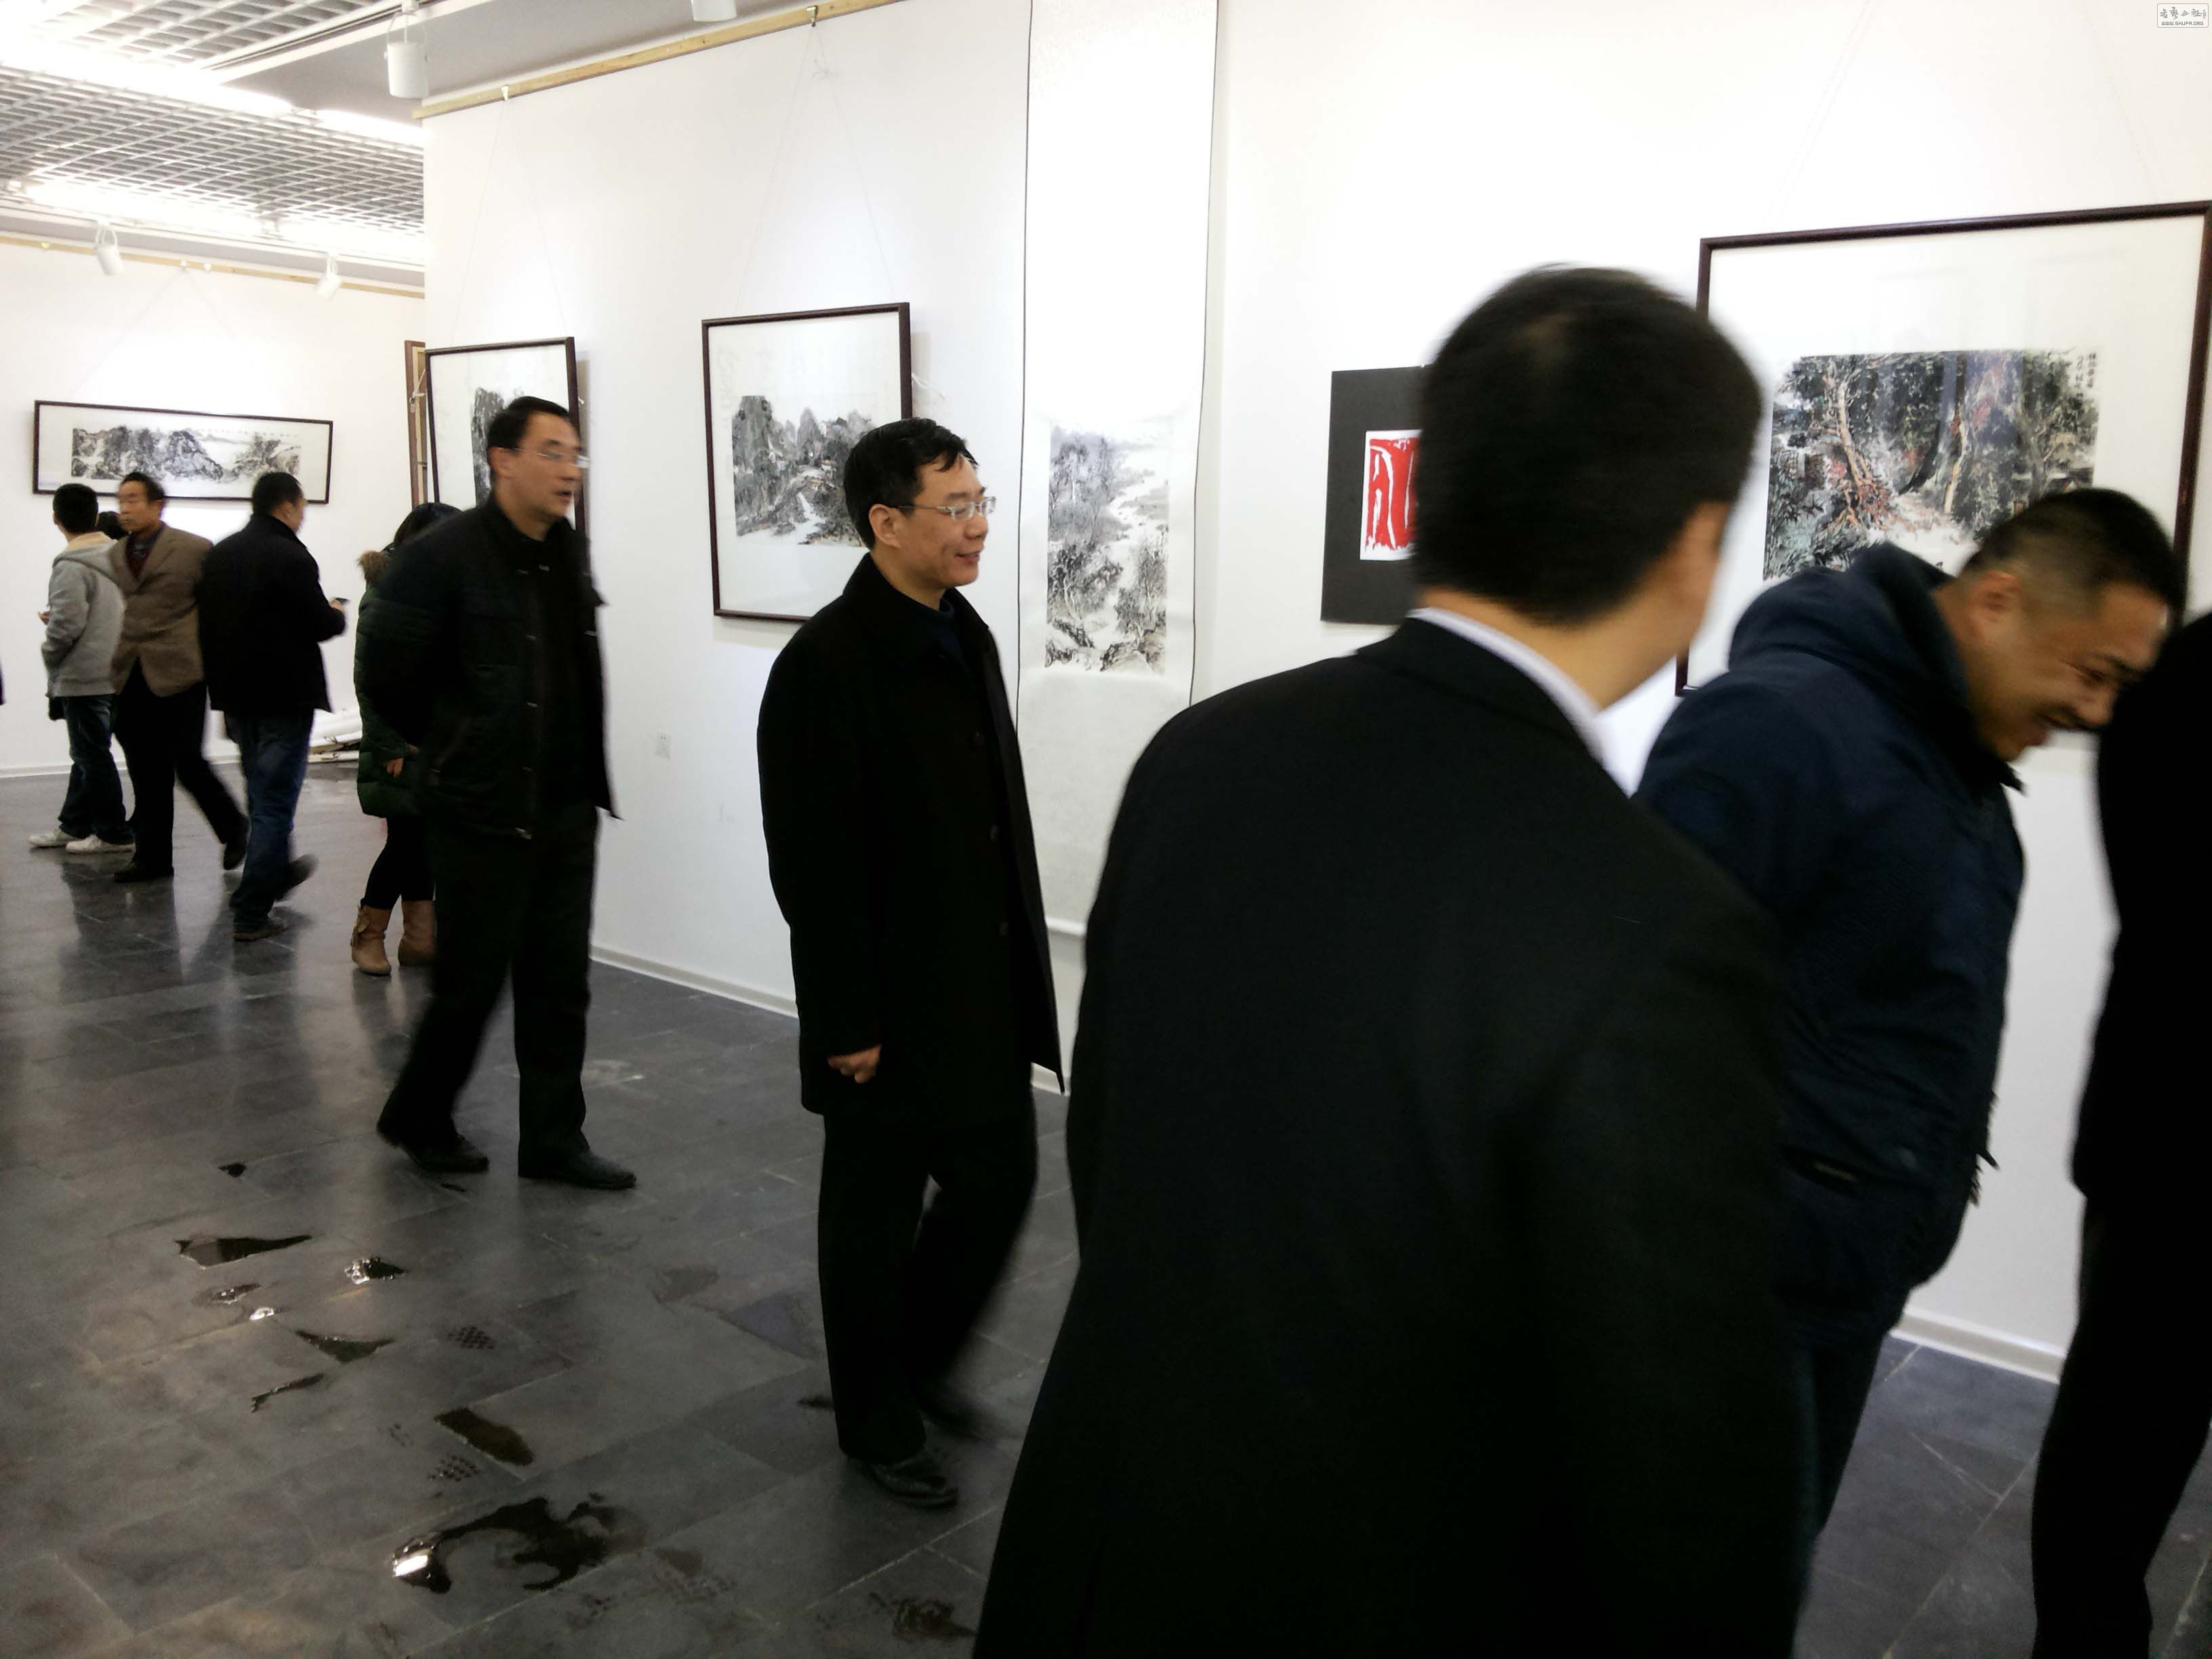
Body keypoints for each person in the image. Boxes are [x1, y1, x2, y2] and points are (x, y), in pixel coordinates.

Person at [978, 269, 1801, 1654]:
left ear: (1429, 492)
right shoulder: (1655, 923)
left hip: (1109, 1541)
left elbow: (1111, 1148)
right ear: (1694, 545)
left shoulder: (1205, 754)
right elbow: (1681, 1465)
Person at [1637, 490, 2177, 1555]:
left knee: (1757, 1586)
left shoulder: (1959, 767)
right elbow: (1639, 1022)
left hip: (1842, 1277)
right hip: (1737, 1299)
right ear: (1998, 602)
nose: (2100, 711)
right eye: (2094, 671)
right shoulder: (1780, 726)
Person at [757, 419, 1059, 1512]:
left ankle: (919, 1362)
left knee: (1000, 1179)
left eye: (981, 502)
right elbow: (813, 863)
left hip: (976, 981)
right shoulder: (826, 665)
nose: (977, 525)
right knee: (872, 1218)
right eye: (955, 507)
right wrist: (845, 1017)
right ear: (885, 522)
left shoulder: (962, 633)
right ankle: (876, 1424)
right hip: (884, 1000)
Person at [359, 396, 632, 1191]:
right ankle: (418, 1114)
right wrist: (456, 746)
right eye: (552, 452)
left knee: (559, 983)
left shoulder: (565, 550)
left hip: (565, 804)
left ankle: (553, 1140)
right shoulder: (442, 556)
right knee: (471, 982)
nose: (569, 470)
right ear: (502, 461)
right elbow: (387, 674)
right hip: (480, 805)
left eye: (575, 454)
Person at [2031, 609, 2209, 1657]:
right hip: (2169, 1146)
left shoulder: (2181, 673)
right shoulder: (2184, 676)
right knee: (2114, 1465)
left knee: (2112, 1459)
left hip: (2162, 1131)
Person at [197, 471, 348, 941]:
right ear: (287, 506)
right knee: (274, 803)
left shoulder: (221, 554)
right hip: (285, 696)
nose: (302, 517)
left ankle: (277, 872)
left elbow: (206, 627)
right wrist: (337, 613)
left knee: (261, 793)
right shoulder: (291, 555)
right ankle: (251, 910)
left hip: (237, 696)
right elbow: (319, 624)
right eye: (302, 508)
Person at [107, 470, 246, 884]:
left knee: (187, 761)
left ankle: (234, 828)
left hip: (181, 670)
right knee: (144, 767)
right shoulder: (117, 553)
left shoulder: (194, 549)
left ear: (157, 505)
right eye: (121, 500)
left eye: (133, 499)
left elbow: (218, 606)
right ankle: (152, 858)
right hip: (131, 670)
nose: (125, 508)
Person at [350, 502, 458, 976]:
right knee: (405, 843)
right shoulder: (388, 590)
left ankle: (419, 939)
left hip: (434, 736)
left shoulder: (436, 585)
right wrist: (389, 742)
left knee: (422, 841)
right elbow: (367, 676)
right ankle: (367, 935)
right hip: (400, 739)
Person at [33, 482, 134, 855]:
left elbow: (66, 627)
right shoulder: (120, 556)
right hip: (118, 670)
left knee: (92, 756)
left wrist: (49, 653)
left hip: (84, 674)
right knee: (89, 754)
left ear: (56, 518)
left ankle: (113, 833)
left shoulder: (71, 564)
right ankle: (74, 825)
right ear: (95, 517)